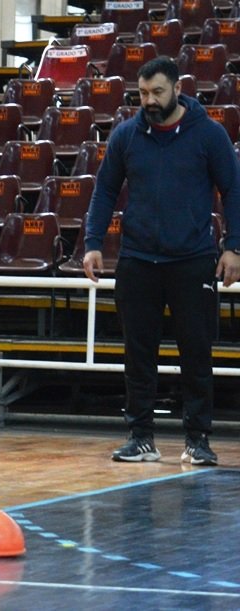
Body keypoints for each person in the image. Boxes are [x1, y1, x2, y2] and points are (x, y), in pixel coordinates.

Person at [83, 56, 240, 466]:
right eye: (143, 93)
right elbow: (105, 190)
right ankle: (141, 438)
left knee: (196, 353)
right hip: (137, 259)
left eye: (157, 92)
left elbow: (234, 190)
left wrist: (234, 247)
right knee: (138, 354)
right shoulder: (126, 135)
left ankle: (198, 440)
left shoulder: (209, 135)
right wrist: (93, 242)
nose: (150, 100)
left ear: (177, 89)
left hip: (193, 260)